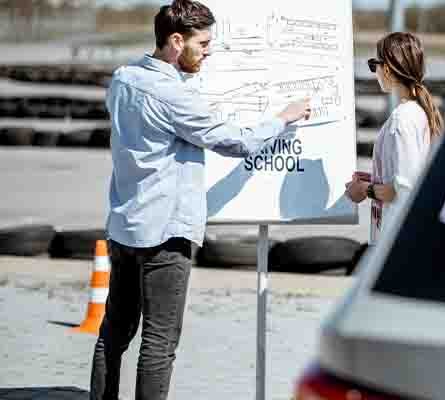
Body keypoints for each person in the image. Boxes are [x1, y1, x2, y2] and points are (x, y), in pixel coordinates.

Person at [89, 1, 310, 399]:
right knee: (159, 345)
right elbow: (236, 141)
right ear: (176, 40)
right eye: (203, 43)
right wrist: (284, 117)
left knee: (114, 333)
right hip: (165, 234)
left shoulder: (122, 78)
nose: (210, 51)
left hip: (124, 226)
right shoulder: (173, 96)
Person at [345, 32, 444, 248]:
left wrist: (365, 190)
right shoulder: (419, 113)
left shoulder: (402, 119)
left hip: (397, 240)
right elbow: (413, 175)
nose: (375, 72)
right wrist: (376, 177)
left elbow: (404, 189)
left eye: (374, 65)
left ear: (387, 69)